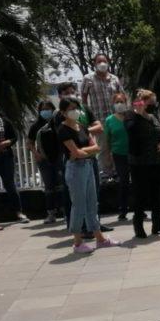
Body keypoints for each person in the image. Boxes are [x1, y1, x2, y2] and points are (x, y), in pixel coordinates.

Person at [57, 97, 119, 253]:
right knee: (78, 205)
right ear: (63, 112)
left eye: (76, 108)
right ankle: (77, 242)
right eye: (71, 109)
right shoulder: (63, 130)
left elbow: (96, 148)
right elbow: (75, 153)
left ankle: (100, 239)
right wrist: (82, 152)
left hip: (88, 165)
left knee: (92, 202)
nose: (75, 111)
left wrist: (83, 151)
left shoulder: (81, 126)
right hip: (75, 169)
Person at [125, 90, 160, 239]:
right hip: (139, 162)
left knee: (156, 194)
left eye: (153, 101)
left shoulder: (153, 116)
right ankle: (138, 226)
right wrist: (138, 114)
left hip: (155, 161)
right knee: (140, 195)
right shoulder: (131, 116)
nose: (152, 104)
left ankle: (158, 225)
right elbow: (131, 131)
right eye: (150, 101)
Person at [0, 96, 28, 223]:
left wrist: (6, 143)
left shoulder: (3, 120)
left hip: (5, 156)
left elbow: (14, 137)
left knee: (10, 185)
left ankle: (18, 212)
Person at [81, 53, 124, 176]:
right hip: (99, 120)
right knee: (103, 148)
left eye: (104, 61)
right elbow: (84, 98)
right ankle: (106, 173)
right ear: (94, 64)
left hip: (115, 119)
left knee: (116, 145)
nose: (102, 64)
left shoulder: (114, 79)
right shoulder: (88, 78)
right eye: (99, 61)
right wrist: (87, 117)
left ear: (108, 62)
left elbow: (122, 96)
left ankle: (117, 172)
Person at [28, 100, 66, 224]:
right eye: (43, 109)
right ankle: (51, 213)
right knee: (49, 187)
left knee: (62, 185)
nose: (45, 111)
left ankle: (65, 212)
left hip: (58, 158)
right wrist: (36, 153)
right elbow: (29, 142)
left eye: (48, 109)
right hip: (44, 159)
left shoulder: (58, 122)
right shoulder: (36, 126)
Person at [103, 93, 132, 220]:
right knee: (123, 181)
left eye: (122, 101)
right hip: (118, 154)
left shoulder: (131, 116)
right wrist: (108, 155)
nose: (120, 104)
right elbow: (107, 140)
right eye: (117, 102)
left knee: (137, 181)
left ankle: (140, 209)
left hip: (134, 153)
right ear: (113, 104)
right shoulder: (109, 120)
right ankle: (123, 209)